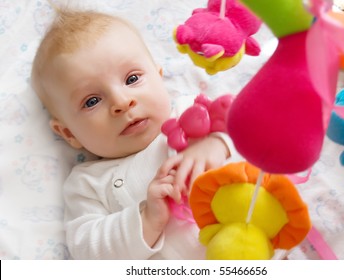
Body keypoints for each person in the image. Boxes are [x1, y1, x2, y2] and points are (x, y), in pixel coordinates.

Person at [30, 8, 238, 259]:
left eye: (132, 79)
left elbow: (265, 129)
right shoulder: (88, 184)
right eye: (92, 100)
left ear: (159, 77)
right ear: (68, 133)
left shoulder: (194, 111)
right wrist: (147, 218)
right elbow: (88, 253)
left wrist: (218, 144)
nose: (122, 101)